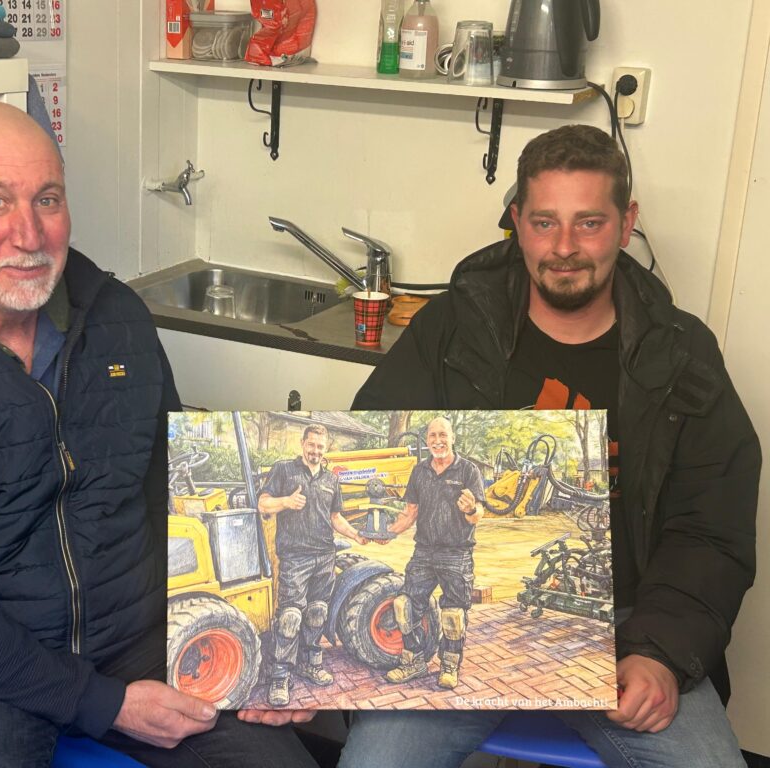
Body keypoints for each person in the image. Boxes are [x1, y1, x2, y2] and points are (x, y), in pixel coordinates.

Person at [0, 102, 318, 768]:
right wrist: (100, 702)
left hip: (138, 638)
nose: (28, 234)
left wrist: (273, 659)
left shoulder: (117, 319)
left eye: (47, 200)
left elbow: (177, 498)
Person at [339, 124, 759, 768]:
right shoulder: (449, 330)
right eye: (544, 223)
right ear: (517, 222)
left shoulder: (684, 354)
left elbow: (711, 529)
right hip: (466, 611)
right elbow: (383, 455)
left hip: (631, 628)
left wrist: (661, 652)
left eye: (589, 223)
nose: (564, 248)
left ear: (626, 223)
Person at [257, 424, 369, 707]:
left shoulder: (331, 479)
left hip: (324, 556)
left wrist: (356, 534)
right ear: (302, 444)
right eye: (311, 445)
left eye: (320, 446)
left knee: (318, 611)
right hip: (295, 557)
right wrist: (286, 501)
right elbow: (263, 504)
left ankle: (311, 664)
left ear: (325, 448)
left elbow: (335, 518)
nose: (315, 451)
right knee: (290, 616)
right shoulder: (284, 470)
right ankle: (280, 677)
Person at [382, 417, 483, 690]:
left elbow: (478, 515)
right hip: (424, 552)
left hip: (456, 554)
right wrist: (387, 533)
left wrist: (471, 509)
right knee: (404, 606)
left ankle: (449, 665)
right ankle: (413, 661)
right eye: (432, 436)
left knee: (453, 615)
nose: (438, 441)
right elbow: (410, 513)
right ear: (427, 440)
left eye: (443, 435)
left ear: (452, 438)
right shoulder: (419, 471)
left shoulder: (468, 470)